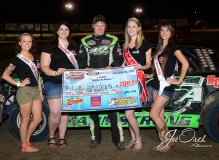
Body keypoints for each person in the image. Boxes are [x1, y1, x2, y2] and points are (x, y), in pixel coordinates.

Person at [78, 14, 125, 150]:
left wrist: (113, 66)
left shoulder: (113, 39)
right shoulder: (85, 40)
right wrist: (84, 68)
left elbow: (119, 58)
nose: (100, 28)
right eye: (97, 25)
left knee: (113, 112)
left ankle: (118, 140)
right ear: (93, 26)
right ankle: (95, 138)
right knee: (93, 111)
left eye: (102, 25)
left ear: (106, 27)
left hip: (110, 80)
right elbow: (81, 59)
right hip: (91, 82)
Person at [148, 22, 189, 152]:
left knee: (153, 114)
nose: (164, 33)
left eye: (167, 30)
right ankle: (168, 140)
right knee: (159, 114)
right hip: (155, 83)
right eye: (162, 30)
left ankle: (166, 143)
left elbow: (185, 63)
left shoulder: (173, 47)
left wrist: (178, 81)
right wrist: (151, 74)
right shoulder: (159, 47)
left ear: (171, 33)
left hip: (166, 86)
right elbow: (160, 66)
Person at [40, 21, 79, 149]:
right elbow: (44, 67)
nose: (64, 31)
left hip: (70, 83)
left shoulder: (75, 45)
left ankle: (62, 137)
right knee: (55, 113)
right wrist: (55, 72)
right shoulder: (50, 46)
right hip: (53, 81)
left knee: (65, 112)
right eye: (61, 29)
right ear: (57, 31)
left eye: (66, 29)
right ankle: (51, 136)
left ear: (69, 31)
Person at [2, 33, 43, 152]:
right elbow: (5, 75)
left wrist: (40, 92)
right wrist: (19, 84)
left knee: (38, 119)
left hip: (36, 91)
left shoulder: (35, 57)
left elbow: (38, 74)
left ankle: (27, 140)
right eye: (24, 41)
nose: (27, 44)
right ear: (19, 43)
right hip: (25, 92)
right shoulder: (17, 59)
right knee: (25, 120)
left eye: (29, 41)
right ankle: (24, 145)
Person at [122, 17, 152, 152]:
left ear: (139, 28)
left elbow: (148, 64)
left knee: (128, 114)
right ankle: (133, 138)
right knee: (128, 113)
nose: (131, 29)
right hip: (127, 81)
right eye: (129, 27)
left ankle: (139, 138)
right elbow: (123, 63)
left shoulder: (145, 44)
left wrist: (141, 67)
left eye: (134, 26)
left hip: (138, 80)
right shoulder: (126, 44)